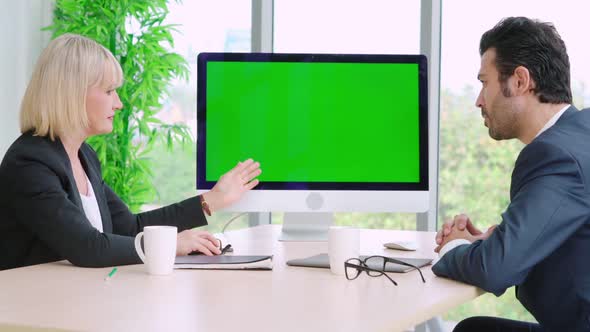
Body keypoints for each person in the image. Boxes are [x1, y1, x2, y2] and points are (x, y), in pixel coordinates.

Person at [0, 34, 261, 270]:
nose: (119, 103)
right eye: (109, 91)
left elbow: (128, 227)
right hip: (31, 311)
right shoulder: (30, 163)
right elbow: (88, 248)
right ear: (73, 94)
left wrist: (212, 200)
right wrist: (168, 245)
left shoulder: (84, 155)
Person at [433, 17, 590, 331]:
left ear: (520, 80)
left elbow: (496, 270)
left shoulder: (554, 156)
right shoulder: (581, 132)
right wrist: (490, 243)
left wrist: (454, 248)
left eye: (484, 82)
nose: (479, 100)